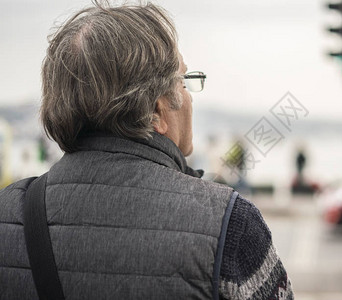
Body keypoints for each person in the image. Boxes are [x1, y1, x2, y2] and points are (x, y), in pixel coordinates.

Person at [0, 2, 293, 299]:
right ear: (157, 111)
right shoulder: (229, 223)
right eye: (183, 83)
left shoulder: (8, 211)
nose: (190, 98)